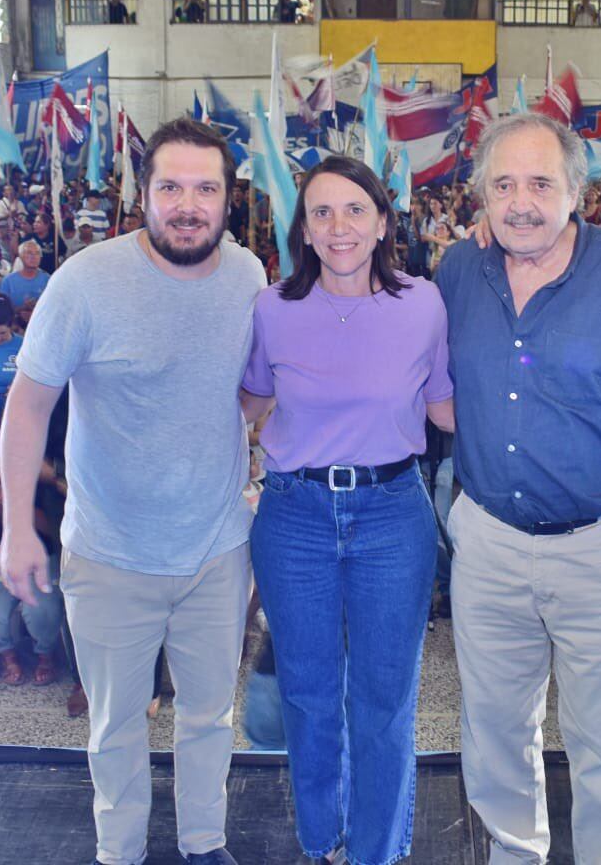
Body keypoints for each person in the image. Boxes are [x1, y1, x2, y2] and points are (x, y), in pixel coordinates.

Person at [1, 118, 264, 865]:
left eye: (205, 188)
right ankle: (120, 853)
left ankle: (204, 844)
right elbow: (28, 405)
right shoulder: (84, 282)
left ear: (227, 198)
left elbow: (246, 389)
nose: (188, 204)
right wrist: (19, 526)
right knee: (116, 722)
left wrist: (226, 443)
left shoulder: (248, 277)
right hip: (110, 553)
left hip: (216, 549)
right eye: (171, 187)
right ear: (141, 194)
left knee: (211, 715)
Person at [445, 112, 601, 864]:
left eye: (541, 183)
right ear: (480, 193)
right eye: (504, 184)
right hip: (487, 544)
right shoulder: (457, 271)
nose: (521, 202)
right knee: (494, 733)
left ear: (576, 190)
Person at [240, 156, 453, 865]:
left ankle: (376, 851)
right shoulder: (271, 308)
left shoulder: (422, 304)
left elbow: (447, 406)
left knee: (385, 700)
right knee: (307, 692)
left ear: (384, 222)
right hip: (293, 517)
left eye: (356, 210)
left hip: (393, 515)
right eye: (323, 212)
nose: (340, 226)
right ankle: (321, 841)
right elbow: (248, 403)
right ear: (302, 227)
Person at [0, 439, 66, 686]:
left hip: (42, 559)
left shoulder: (41, 486)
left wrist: (16, 506)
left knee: (42, 609)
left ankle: (45, 656)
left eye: (0, 454)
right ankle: (8, 657)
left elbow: (51, 532)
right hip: (1, 559)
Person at [0, 240, 50, 309]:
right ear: (21, 256)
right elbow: (2, 309)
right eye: (29, 253)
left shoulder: (48, 280)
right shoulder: (8, 281)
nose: (33, 257)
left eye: (37, 253)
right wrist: (21, 310)